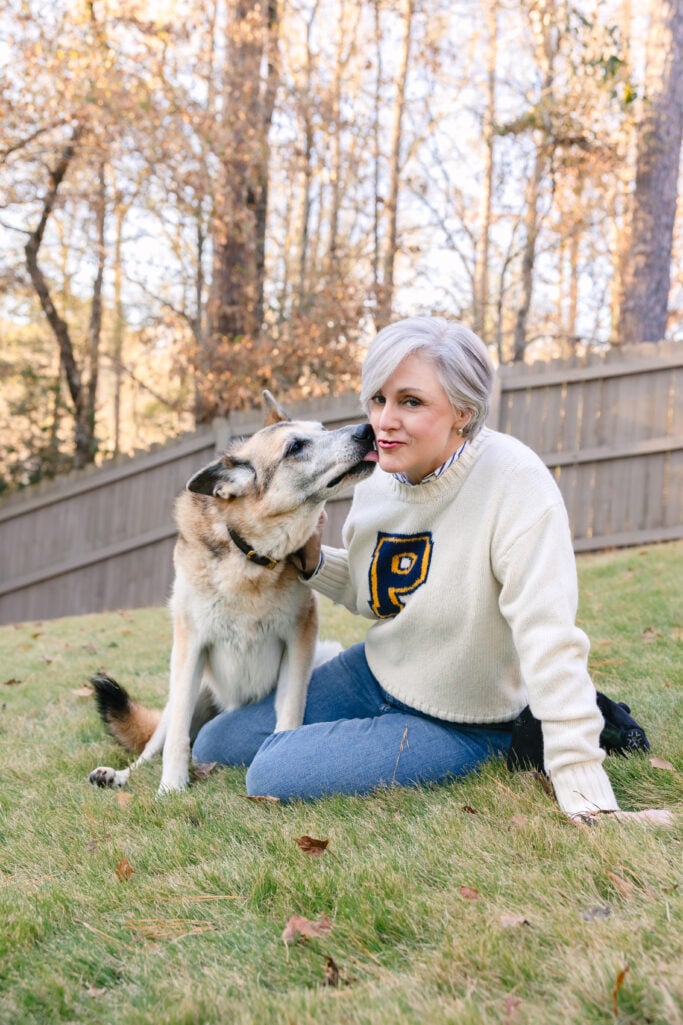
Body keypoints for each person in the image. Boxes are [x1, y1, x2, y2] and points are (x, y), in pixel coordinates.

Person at [192, 317, 670, 825]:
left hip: (460, 718)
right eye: (378, 399)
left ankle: (518, 732)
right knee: (214, 742)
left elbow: (550, 639)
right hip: (376, 673)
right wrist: (313, 561)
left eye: (411, 402)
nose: (384, 421)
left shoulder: (516, 484)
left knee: (272, 769)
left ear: (463, 411)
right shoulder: (381, 474)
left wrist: (586, 792)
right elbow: (378, 591)